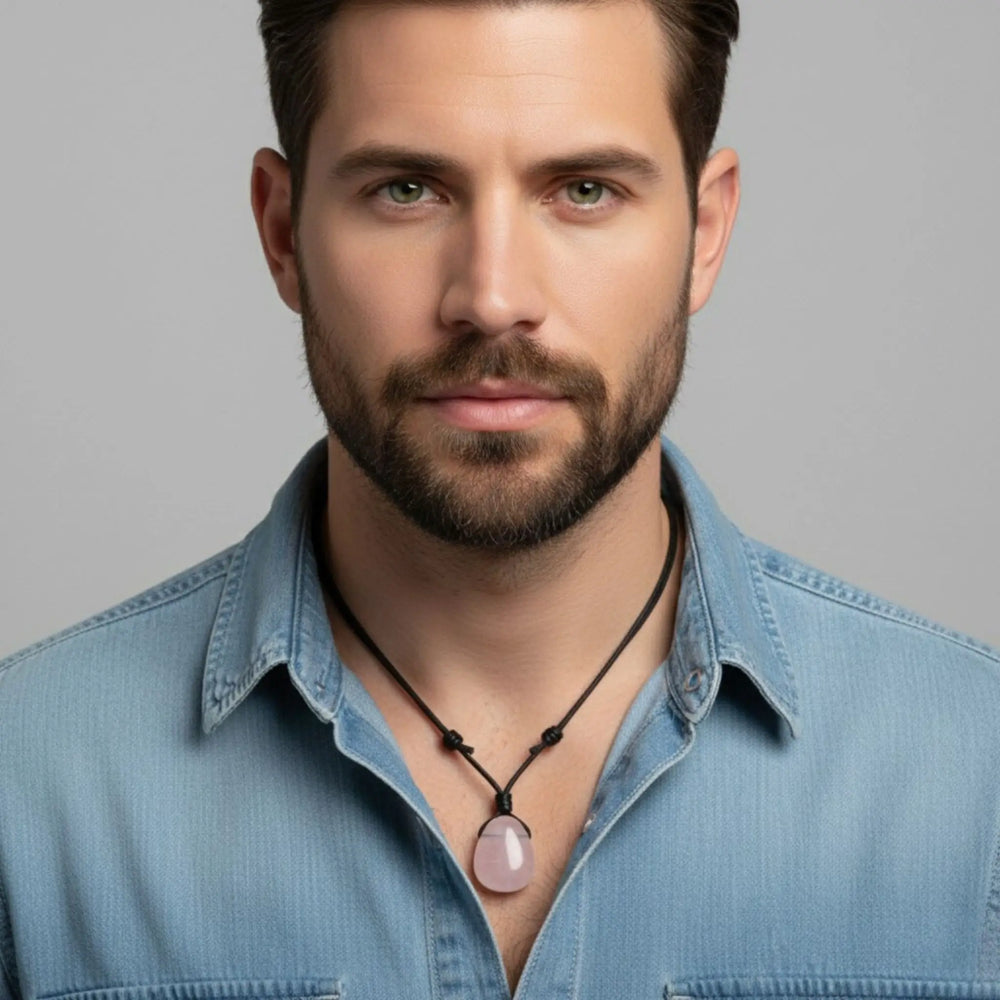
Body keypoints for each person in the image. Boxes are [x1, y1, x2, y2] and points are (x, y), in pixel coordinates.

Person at [1, 1, 998, 997]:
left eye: (583, 190)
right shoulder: (26, 790)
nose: (489, 295)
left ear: (704, 230)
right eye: (406, 189)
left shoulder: (975, 784)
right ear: (282, 231)